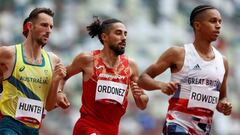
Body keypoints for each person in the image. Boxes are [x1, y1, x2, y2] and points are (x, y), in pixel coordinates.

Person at [137, 5, 232, 135]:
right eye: (213, 21)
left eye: (220, 22)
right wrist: (161, 85)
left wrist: (224, 105)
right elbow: (143, 79)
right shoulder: (178, 53)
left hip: (203, 130)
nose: (218, 25)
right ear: (197, 25)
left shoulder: (223, 61)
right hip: (177, 125)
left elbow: (222, 97)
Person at [56, 17, 149, 135]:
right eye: (118, 33)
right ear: (104, 37)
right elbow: (63, 75)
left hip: (112, 130)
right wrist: (59, 92)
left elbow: (142, 105)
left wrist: (141, 96)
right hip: (87, 126)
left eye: (125, 34)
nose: (124, 37)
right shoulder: (87, 59)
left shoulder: (131, 66)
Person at [0, 7, 66, 135]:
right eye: (44, 25)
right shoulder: (9, 53)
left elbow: (49, 106)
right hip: (10, 125)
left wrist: (56, 82)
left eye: (51, 27)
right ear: (30, 26)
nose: (48, 31)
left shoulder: (53, 60)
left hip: (33, 129)